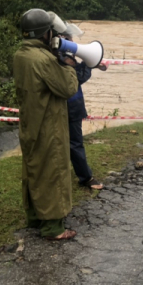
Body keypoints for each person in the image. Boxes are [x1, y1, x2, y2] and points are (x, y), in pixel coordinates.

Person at [13, 9, 79, 241]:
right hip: (49, 125)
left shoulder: (21, 55)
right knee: (53, 170)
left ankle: (35, 217)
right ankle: (53, 227)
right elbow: (67, 88)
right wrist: (69, 66)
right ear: (45, 34)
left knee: (33, 168)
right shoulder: (44, 60)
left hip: (31, 122)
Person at [57, 24, 106, 191]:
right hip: (70, 106)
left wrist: (92, 63)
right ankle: (86, 178)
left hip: (67, 106)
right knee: (75, 143)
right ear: (63, 39)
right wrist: (88, 64)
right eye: (69, 39)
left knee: (61, 142)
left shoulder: (60, 54)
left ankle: (62, 173)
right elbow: (77, 78)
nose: (72, 42)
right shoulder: (63, 57)